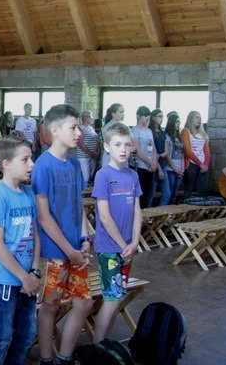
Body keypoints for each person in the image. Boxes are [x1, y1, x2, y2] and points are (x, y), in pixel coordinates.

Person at [31, 104, 93, 365]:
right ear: (54, 130)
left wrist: (85, 238)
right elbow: (43, 216)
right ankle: (47, 358)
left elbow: (78, 205)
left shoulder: (75, 164)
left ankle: (65, 357)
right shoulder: (43, 166)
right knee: (51, 305)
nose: (79, 133)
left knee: (84, 304)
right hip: (55, 251)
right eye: (73, 127)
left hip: (76, 249)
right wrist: (69, 250)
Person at [0, 136, 40, 365]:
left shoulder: (28, 193)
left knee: (27, 333)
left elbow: (35, 234)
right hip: (5, 278)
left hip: (27, 277)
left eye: (31, 158)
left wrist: (34, 270)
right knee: (2, 335)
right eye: (25, 160)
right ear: (7, 164)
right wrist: (23, 276)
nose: (31, 164)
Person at [91, 122, 142, 342]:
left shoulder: (133, 176)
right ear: (107, 147)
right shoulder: (103, 175)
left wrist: (135, 241)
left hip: (127, 248)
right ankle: (97, 348)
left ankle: (106, 344)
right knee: (111, 300)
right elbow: (104, 216)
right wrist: (123, 246)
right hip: (110, 249)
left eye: (127, 145)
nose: (123, 149)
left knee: (117, 298)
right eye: (117, 144)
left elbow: (138, 212)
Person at [131, 106, 157, 208]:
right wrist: (150, 162)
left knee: (148, 194)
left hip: (150, 166)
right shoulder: (135, 130)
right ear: (138, 116)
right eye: (145, 116)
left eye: (148, 116)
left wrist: (154, 162)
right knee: (140, 194)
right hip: (140, 166)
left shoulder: (149, 131)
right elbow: (137, 150)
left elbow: (153, 148)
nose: (147, 118)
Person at [181, 110, 210, 199]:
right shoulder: (186, 131)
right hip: (191, 163)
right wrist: (200, 164)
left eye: (200, 118)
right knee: (188, 188)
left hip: (202, 164)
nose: (199, 120)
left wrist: (205, 164)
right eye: (197, 118)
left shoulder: (203, 133)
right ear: (191, 118)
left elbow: (206, 151)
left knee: (203, 188)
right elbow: (188, 151)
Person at [162, 113, 184, 205]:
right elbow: (167, 156)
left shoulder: (179, 137)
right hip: (170, 169)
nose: (178, 124)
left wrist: (182, 168)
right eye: (176, 122)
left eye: (179, 122)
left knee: (175, 194)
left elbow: (182, 154)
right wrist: (175, 169)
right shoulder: (167, 137)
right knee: (169, 193)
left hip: (179, 168)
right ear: (172, 123)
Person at [150, 109, 168, 204]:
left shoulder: (162, 133)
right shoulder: (150, 132)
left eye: (162, 117)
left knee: (167, 193)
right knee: (151, 194)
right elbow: (152, 152)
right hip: (153, 165)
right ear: (153, 118)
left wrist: (160, 155)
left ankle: (162, 211)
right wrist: (159, 169)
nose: (162, 118)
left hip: (162, 163)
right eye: (159, 116)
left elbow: (166, 151)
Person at [76, 110, 99, 184]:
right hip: (83, 156)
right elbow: (80, 144)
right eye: (90, 117)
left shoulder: (91, 128)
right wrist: (91, 153)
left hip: (92, 156)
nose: (92, 118)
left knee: (90, 177)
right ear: (85, 118)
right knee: (85, 178)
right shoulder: (80, 128)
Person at [101, 103, 125, 168]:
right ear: (113, 114)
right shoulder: (108, 127)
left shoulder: (123, 126)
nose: (123, 114)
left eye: (123, 112)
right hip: (111, 158)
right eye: (121, 112)